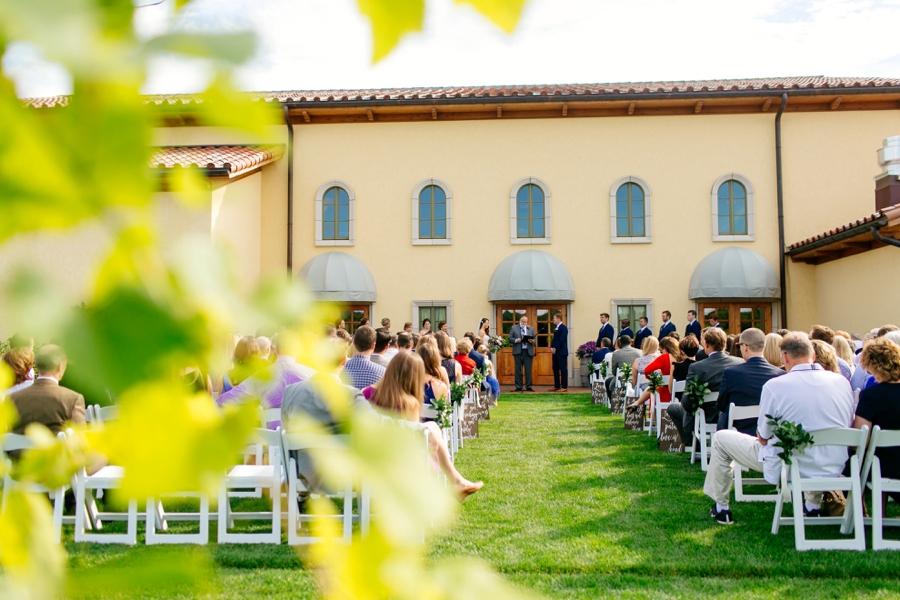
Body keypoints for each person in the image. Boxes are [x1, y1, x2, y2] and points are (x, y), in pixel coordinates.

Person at [703, 332, 854, 525]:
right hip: (833, 464)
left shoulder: (775, 386)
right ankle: (812, 506)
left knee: (721, 439)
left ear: (784, 356)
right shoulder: (841, 383)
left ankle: (721, 508)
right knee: (808, 446)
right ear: (813, 356)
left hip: (790, 466)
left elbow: (764, 437)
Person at [369, 352, 482, 500]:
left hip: (371, 459)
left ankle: (457, 482)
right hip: (402, 463)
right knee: (431, 429)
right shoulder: (409, 403)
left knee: (431, 427)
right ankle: (455, 481)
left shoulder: (366, 394)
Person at [281, 337, 374, 494]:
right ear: (344, 360)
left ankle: (303, 498)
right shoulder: (350, 395)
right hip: (340, 475)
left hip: (300, 472)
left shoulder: (290, 391)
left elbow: (286, 428)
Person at [217, 330, 316, 424]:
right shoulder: (311, 374)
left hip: (271, 439)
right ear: (298, 350)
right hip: (303, 437)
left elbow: (229, 398)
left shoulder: (261, 376)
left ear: (276, 350)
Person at [667, 328, 742, 447]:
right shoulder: (739, 363)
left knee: (672, 408)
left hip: (705, 415)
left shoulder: (697, 367)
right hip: (732, 414)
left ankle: (694, 444)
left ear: (706, 344)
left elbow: (687, 401)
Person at [853, 338, 900, 500]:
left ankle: (861, 512)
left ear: (872, 366)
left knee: (851, 461)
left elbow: (859, 441)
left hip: (885, 469)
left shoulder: (871, 396)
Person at [715, 328, 785, 433]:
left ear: (745, 347)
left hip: (737, 431)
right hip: (768, 431)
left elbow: (721, 404)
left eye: (739, 346)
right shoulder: (780, 374)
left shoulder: (731, 373)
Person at [9, 345, 85, 435]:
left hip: (19, 449)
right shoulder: (72, 399)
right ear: (60, 366)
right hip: (57, 449)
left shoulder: (12, 399)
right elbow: (81, 438)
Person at [627, 336, 681, 410]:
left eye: (661, 351)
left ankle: (638, 404)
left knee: (652, 387)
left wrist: (654, 379)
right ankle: (637, 403)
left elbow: (647, 371)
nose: (661, 353)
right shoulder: (681, 357)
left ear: (665, 348)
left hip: (665, 391)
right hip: (680, 392)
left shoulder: (664, 357)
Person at [508, 315, 535, 392]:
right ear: (520, 321)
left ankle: (528, 386)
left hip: (528, 351)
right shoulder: (514, 328)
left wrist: (532, 341)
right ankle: (518, 386)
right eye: (523, 321)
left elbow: (534, 338)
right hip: (518, 351)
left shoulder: (531, 328)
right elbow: (510, 338)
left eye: (525, 322)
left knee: (528, 369)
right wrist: (516, 340)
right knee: (518, 369)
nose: (524, 323)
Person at [670, 335, 699, 400]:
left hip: (679, 401)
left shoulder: (675, 366)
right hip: (696, 401)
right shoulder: (701, 366)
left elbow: (670, 389)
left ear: (682, 351)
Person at [550, 313, 569, 392]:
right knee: (555, 368)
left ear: (558, 319)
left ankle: (564, 386)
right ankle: (557, 385)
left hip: (561, 352)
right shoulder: (556, 328)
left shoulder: (563, 328)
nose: (553, 320)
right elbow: (555, 339)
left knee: (563, 369)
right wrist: (552, 347)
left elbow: (562, 340)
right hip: (556, 352)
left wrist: (556, 348)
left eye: (554, 318)